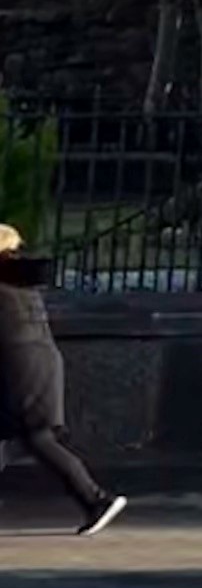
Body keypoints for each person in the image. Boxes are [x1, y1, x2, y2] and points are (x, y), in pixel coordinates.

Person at [0, 224, 125, 536]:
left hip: (21, 367)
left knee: (38, 437)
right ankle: (94, 501)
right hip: (35, 363)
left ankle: (96, 500)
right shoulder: (17, 279)